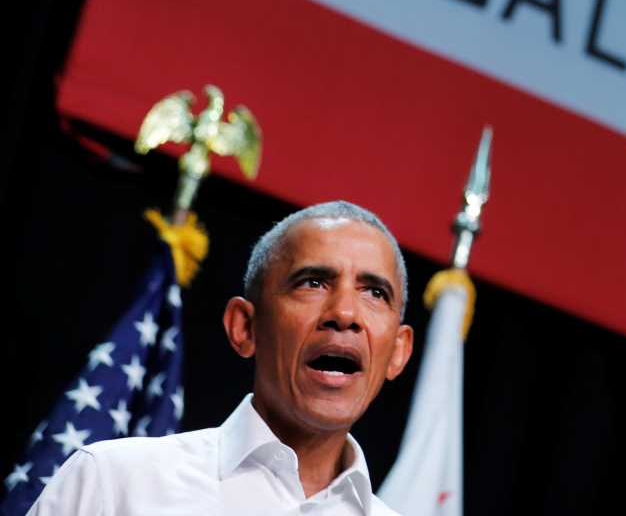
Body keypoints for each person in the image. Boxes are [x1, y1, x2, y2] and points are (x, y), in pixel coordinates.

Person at [28, 201, 415, 515]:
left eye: (375, 293)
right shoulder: (112, 482)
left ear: (398, 352)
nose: (344, 313)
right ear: (244, 327)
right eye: (312, 283)